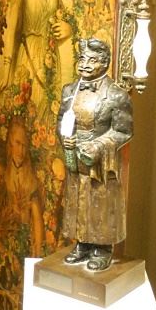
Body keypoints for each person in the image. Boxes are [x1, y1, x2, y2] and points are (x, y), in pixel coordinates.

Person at [56, 37, 133, 271]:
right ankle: (83, 243)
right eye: (82, 59)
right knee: (78, 200)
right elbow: (61, 120)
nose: (85, 64)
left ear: (105, 63)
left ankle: (102, 248)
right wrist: (65, 137)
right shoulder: (69, 91)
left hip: (101, 162)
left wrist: (98, 146)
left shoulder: (117, 95)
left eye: (92, 60)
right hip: (75, 157)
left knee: (100, 202)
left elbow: (123, 131)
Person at [3, 116, 45, 256]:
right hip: (5, 236)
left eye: (24, 145)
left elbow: (36, 216)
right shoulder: (3, 171)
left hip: (24, 238)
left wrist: (37, 252)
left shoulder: (30, 178)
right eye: (17, 143)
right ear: (10, 141)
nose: (21, 150)